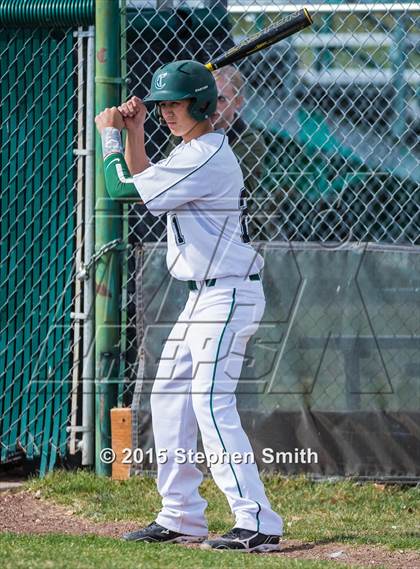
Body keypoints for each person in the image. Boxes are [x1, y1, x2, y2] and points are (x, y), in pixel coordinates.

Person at [94, 60, 283, 553]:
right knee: (169, 398)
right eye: (162, 105)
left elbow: (121, 189)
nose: (167, 113)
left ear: (200, 105)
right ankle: (180, 514)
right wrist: (134, 132)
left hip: (228, 294)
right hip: (201, 296)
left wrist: (110, 136)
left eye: (176, 104)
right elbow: (145, 180)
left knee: (210, 402)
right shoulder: (190, 151)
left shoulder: (206, 156)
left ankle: (257, 520)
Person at [164, 65, 266, 239]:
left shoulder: (250, 140)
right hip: (185, 227)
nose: (212, 105)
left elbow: (232, 187)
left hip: (231, 229)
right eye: (207, 98)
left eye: (221, 99)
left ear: (238, 101)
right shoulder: (184, 130)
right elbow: (166, 179)